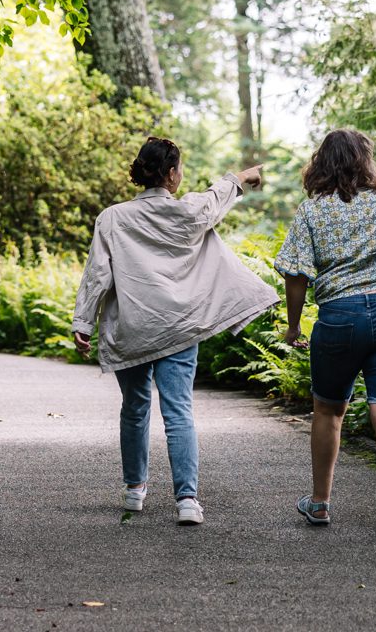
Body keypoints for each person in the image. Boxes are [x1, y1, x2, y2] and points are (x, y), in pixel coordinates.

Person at [72, 137, 275, 526]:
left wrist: (83, 321)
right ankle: (186, 501)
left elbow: (97, 273)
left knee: (134, 409)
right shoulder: (187, 212)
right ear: (170, 173)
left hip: (132, 328)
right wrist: (243, 176)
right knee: (178, 411)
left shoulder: (113, 218)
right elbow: (215, 198)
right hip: (180, 327)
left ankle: (135, 491)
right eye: (179, 168)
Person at [275, 128, 376, 541]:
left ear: (321, 163)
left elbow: (296, 274)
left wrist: (293, 324)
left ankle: (320, 503)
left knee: (328, 411)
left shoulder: (311, 211)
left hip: (340, 316)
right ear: (365, 161)